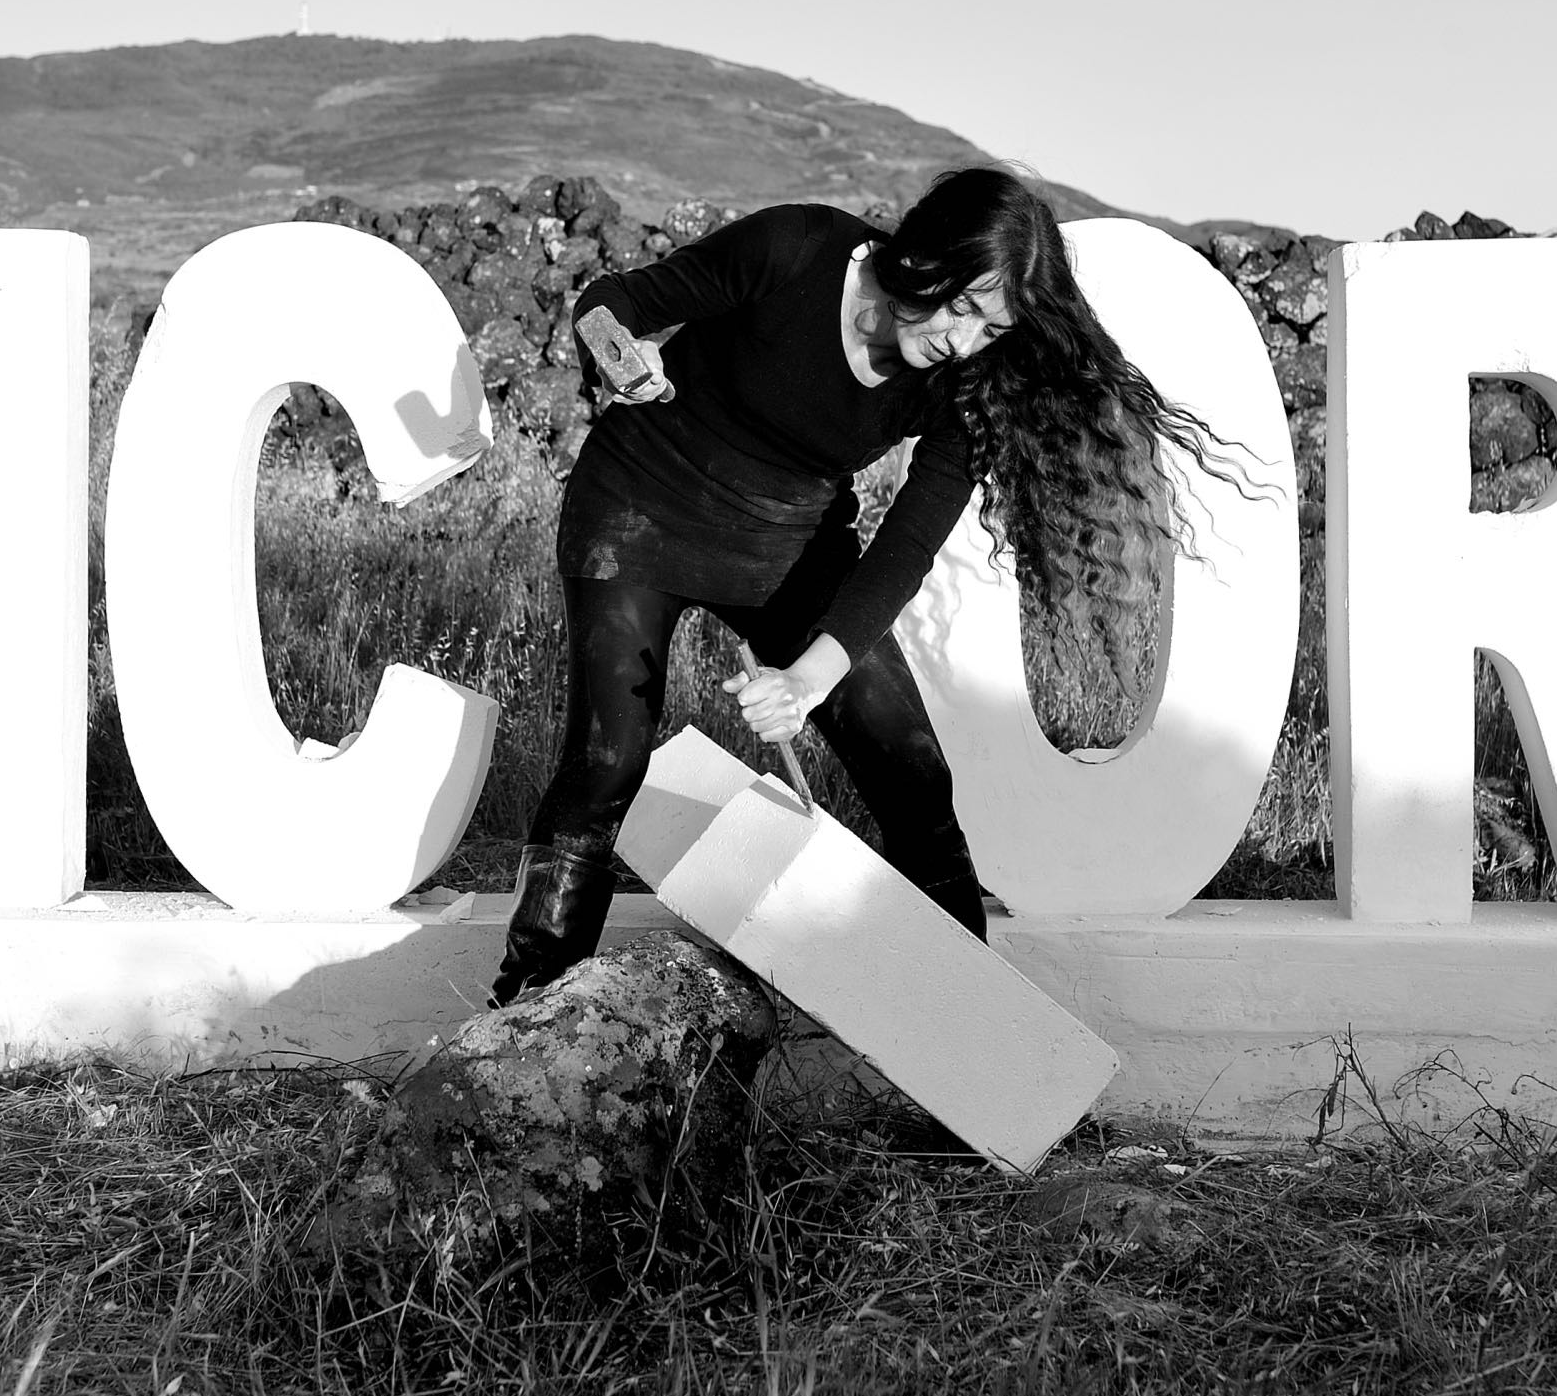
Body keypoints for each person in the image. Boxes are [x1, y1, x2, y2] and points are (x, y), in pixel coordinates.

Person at [490, 165, 1248, 1005]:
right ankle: (524, 1013)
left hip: (790, 542)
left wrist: (807, 680)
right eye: (962, 306)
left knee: (913, 770)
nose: (965, 340)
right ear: (924, 255)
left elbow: (906, 546)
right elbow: (612, 301)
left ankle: (969, 1018)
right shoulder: (796, 247)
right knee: (607, 761)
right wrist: (619, 356)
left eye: (990, 328)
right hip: (638, 506)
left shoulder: (971, 384)